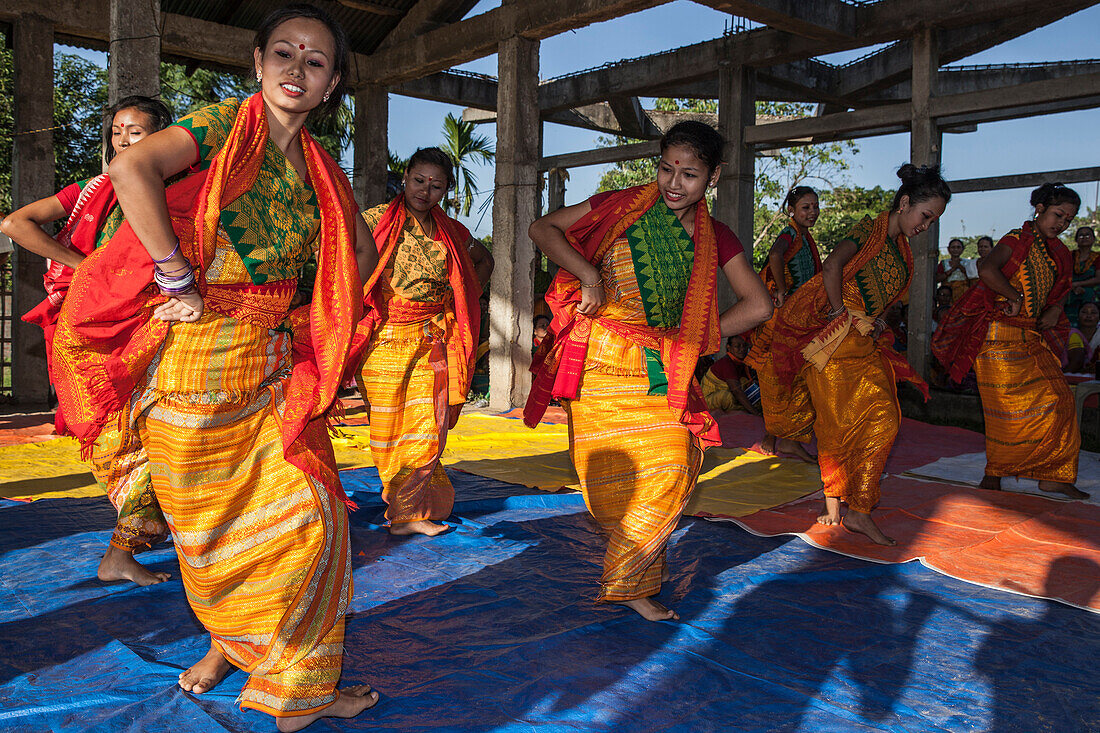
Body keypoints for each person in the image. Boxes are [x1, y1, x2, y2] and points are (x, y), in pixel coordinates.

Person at [49, 4, 381, 728]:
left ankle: (295, 691)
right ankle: (234, 649)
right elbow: (131, 167)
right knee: (213, 539)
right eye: (285, 53)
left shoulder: (321, 167)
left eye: (316, 60)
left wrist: (304, 315)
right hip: (194, 372)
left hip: (266, 373)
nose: (298, 68)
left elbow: (359, 256)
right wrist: (175, 278)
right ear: (258, 63)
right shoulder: (223, 124)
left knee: (314, 523)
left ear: (330, 86)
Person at [524, 121, 773, 621]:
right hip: (599, 364)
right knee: (607, 488)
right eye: (666, 169)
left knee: (674, 466)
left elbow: (759, 305)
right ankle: (633, 571)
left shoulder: (715, 236)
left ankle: (629, 583)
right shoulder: (619, 207)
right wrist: (588, 272)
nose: (674, 184)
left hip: (661, 371)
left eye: (690, 175)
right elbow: (542, 228)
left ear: (714, 177)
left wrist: (700, 334)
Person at [1, 95, 174, 587]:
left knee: (164, 435)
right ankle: (121, 554)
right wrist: (85, 268)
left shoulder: (175, 191)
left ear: (162, 139)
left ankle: (130, 549)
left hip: (143, 326)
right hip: (92, 336)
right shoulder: (91, 191)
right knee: (129, 443)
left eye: (135, 131)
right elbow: (14, 223)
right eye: (117, 130)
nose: (122, 139)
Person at [768, 164, 951, 546]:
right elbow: (833, 267)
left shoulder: (904, 254)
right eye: (926, 215)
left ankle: (859, 509)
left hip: (864, 342)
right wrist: (838, 313)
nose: (926, 225)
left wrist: (879, 320)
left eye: (933, 220)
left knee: (883, 418)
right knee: (836, 424)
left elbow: (888, 299)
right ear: (904, 203)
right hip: (833, 341)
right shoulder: (868, 230)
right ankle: (837, 505)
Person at [350, 146, 493, 537]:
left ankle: (408, 515)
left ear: (446, 190)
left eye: (436, 186)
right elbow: (341, 264)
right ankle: (403, 510)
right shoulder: (373, 221)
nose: (425, 191)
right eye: (418, 181)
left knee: (429, 424)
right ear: (405, 176)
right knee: (388, 430)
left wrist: (461, 294)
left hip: (431, 338)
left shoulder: (452, 233)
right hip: (384, 341)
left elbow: (485, 261)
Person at [934, 183, 1085, 500]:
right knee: (1004, 411)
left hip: (1030, 336)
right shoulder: (1017, 239)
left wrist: (1056, 309)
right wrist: (1012, 294)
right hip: (998, 337)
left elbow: (1059, 292)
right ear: (1040, 209)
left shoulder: (1056, 253)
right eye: (1058, 214)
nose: (1062, 224)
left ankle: (1053, 475)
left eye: (1069, 220)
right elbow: (987, 268)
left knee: (1061, 399)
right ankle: (994, 472)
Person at [746, 186, 821, 463]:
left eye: (815, 206)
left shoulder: (803, 236)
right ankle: (776, 436)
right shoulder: (789, 233)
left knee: (792, 378)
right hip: (786, 318)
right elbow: (775, 256)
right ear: (792, 210)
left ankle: (782, 438)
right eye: (806, 207)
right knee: (781, 376)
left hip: (799, 318)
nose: (812, 212)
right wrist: (780, 290)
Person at [702, 335, 760, 414]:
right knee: (727, 397)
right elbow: (736, 391)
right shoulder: (726, 363)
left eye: (745, 346)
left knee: (747, 383)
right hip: (708, 400)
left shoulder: (743, 362)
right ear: (728, 347)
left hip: (730, 393)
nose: (742, 349)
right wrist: (754, 412)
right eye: (737, 346)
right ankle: (743, 410)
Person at [1065, 226, 1099, 326]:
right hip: (1070, 292)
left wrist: (1079, 284)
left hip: (1090, 294)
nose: (1084, 237)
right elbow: (1062, 274)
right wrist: (1073, 286)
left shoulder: (1097, 257)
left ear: (1093, 239)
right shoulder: (1069, 256)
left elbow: (1098, 279)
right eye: (1081, 235)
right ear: (1076, 239)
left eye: (1087, 235)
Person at [935, 237, 976, 303]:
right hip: (948, 296)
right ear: (948, 249)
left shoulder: (968, 263)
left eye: (958, 247)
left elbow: (972, 278)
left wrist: (959, 266)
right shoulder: (944, 263)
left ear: (963, 249)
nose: (955, 249)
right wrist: (951, 270)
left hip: (964, 294)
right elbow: (937, 279)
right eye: (953, 247)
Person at [1064, 301, 1100, 373]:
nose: (1088, 316)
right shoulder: (1071, 334)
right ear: (1078, 316)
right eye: (1084, 312)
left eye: (1093, 313)